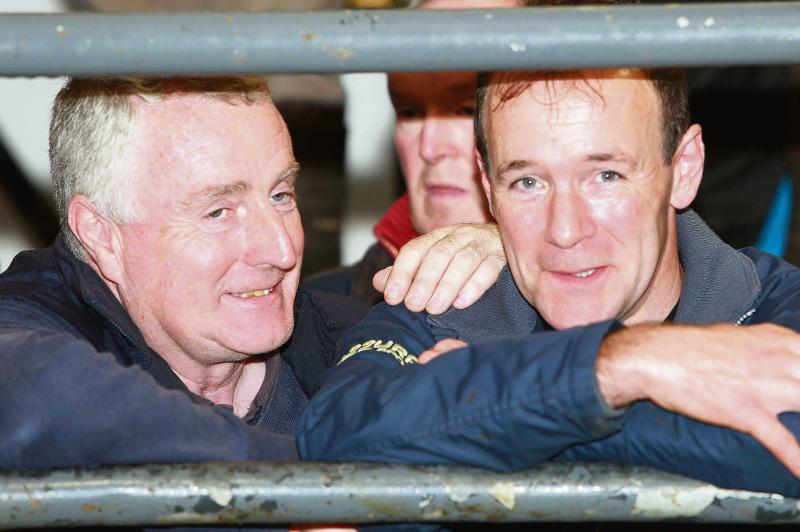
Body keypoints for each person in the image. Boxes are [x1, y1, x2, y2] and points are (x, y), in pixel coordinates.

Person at [298, 66, 800, 496]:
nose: (565, 230)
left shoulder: (778, 307)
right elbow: (338, 441)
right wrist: (620, 365)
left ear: (684, 168)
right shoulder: (442, 303)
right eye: (527, 182)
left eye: (606, 176)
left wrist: (496, 411)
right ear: (487, 185)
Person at [0, 76, 504, 470]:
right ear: (100, 235)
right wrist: (329, 488)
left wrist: (516, 261)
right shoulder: (36, 322)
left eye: (281, 195)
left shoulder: (352, 335)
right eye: (218, 212)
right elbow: (31, 389)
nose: (281, 249)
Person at [306, 0, 517, 314]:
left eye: (466, 110)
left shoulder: (593, 291)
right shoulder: (316, 309)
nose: (430, 148)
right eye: (409, 111)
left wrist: (525, 253)